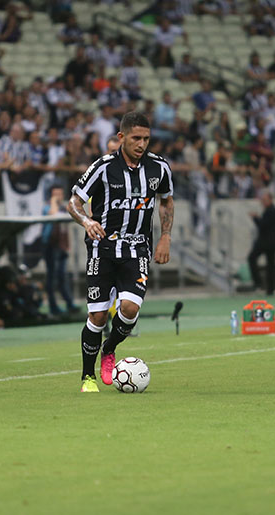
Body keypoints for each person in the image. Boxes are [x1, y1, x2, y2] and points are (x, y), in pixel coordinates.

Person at [67, 111, 174, 392]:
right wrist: (87, 221)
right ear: (121, 137)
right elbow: (74, 202)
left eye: (146, 139)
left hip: (137, 248)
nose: (142, 144)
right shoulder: (103, 167)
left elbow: (166, 201)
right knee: (99, 316)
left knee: (129, 308)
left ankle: (110, 347)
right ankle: (88, 377)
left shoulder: (159, 167)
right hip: (102, 249)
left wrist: (165, 236)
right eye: (136, 138)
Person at [43, 183, 77, 315]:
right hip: (51, 246)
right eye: (55, 194)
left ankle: (69, 303)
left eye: (60, 194)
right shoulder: (47, 207)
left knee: (62, 276)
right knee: (52, 277)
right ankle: (53, 306)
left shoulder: (64, 208)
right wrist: (53, 202)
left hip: (62, 247)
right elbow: (53, 214)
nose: (58, 196)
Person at [247, 191, 275, 295]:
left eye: (265, 200)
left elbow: (263, 226)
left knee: (264, 263)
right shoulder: (270, 210)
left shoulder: (272, 211)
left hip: (266, 242)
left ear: (270, 200)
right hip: (269, 242)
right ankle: (268, 287)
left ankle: (263, 285)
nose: (263, 202)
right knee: (270, 265)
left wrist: (255, 218)